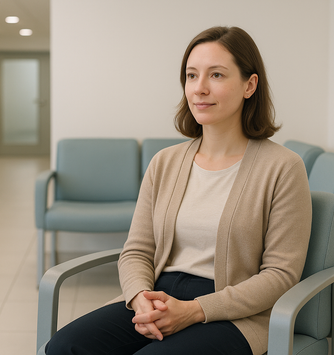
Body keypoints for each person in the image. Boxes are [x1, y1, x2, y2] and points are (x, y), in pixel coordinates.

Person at [45, 26, 312, 355]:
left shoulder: (284, 167)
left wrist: (195, 310)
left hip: (234, 312)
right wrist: (141, 298)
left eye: (216, 75)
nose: (199, 88)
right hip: (159, 295)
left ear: (249, 85)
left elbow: (281, 274)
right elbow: (137, 251)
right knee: (63, 347)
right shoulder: (164, 162)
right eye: (191, 75)